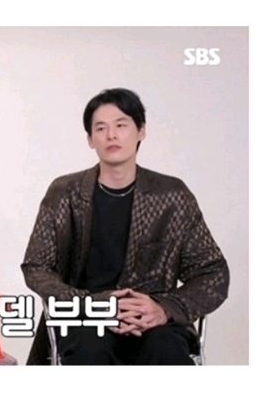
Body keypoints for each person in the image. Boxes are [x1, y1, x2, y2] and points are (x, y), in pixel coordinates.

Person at [21, 88, 230, 365]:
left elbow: (212, 272)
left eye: (121, 125)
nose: (111, 135)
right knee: (90, 352)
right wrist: (91, 304)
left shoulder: (172, 195)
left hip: (153, 320)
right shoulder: (65, 192)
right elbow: (36, 266)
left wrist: (164, 308)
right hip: (86, 317)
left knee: (165, 351)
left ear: (141, 131)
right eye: (101, 128)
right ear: (90, 139)